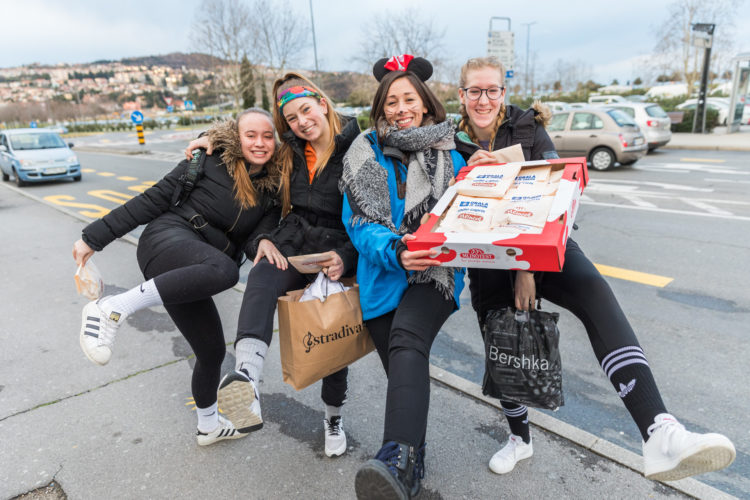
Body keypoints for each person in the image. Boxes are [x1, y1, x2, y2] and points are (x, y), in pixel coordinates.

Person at [455, 56, 735, 481]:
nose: (483, 99)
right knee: (503, 346)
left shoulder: (528, 127)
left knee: (595, 292)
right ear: (462, 95)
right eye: (475, 91)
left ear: (503, 93)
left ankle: (658, 430)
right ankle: (519, 439)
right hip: (489, 261)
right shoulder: (451, 142)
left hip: (542, 249)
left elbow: (559, 193)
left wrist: (526, 266)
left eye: (492, 90)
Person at [74, 108, 283, 446]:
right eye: (251, 135)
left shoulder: (271, 192)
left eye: (267, 136)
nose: (259, 143)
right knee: (226, 271)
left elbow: (254, 238)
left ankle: (208, 426)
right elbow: (152, 199)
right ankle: (111, 308)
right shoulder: (207, 161)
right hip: (166, 241)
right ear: (236, 136)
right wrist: (92, 238)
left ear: (276, 141)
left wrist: (265, 242)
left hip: (198, 266)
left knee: (211, 351)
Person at [184, 72, 360, 457]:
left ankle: (333, 417)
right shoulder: (290, 151)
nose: (301, 122)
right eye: (291, 118)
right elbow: (249, 146)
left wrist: (347, 256)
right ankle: (247, 379)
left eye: (306, 110)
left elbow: (373, 213)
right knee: (262, 273)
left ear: (322, 104)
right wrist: (208, 140)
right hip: (296, 241)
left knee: (331, 330)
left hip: (341, 248)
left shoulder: (359, 146)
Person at [341, 55, 467, 500]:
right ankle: (410, 468)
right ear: (380, 108)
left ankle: (393, 458)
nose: (400, 109)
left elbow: (471, 211)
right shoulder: (364, 151)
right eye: (391, 101)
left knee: (407, 339)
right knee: (403, 374)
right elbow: (359, 223)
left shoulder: (454, 152)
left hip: (435, 274)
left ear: (426, 103)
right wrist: (397, 249)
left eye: (409, 99)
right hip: (382, 278)